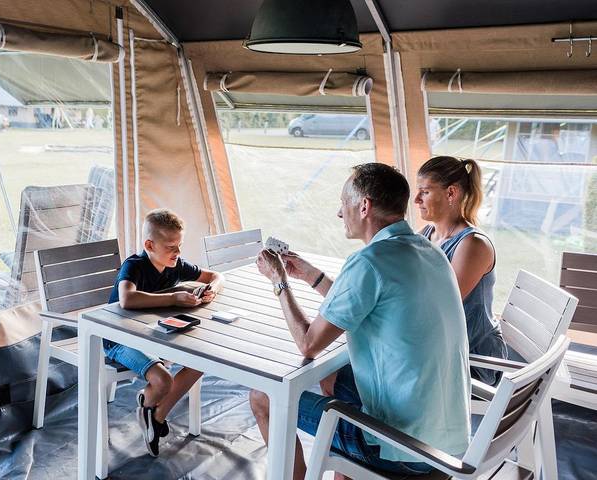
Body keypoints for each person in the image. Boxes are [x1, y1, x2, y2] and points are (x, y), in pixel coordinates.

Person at [250, 163, 470, 480]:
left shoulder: (369, 261)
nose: (340, 213)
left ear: (364, 206)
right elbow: (363, 300)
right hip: (447, 442)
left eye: (344, 203)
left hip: (404, 450)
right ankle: (347, 471)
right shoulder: (429, 250)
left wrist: (278, 281)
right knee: (333, 379)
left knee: (264, 397)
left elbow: (309, 344)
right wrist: (309, 274)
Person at [106, 208, 224, 457]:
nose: (178, 252)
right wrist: (174, 297)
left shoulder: (176, 265)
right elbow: (126, 299)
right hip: (119, 339)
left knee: (201, 360)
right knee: (163, 380)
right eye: (172, 246)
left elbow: (216, 275)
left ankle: (155, 414)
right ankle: (149, 402)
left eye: (180, 245)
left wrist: (211, 288)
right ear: (149, 244)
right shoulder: (134, 265)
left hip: (154, 336)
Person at [415, 156, 507, 385]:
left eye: (425, 192)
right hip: (441, 346)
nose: (416, 199)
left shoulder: (473, 245)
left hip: (473, 359)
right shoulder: (428, 233)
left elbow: (440, 307)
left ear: (451, 193)